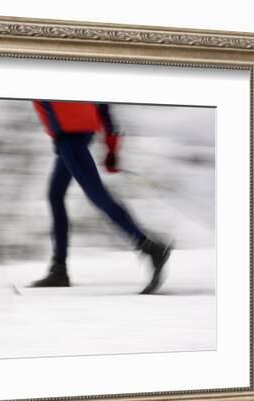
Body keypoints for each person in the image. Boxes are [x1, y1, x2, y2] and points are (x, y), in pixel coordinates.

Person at [31, 100, 172, 294]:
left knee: (97, 194)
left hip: (68, 134)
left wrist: (59, 134)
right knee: (56, 194)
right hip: (80, 131)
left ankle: (150, 247)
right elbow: (103, 104)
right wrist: (112, 148)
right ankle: (59, 269)